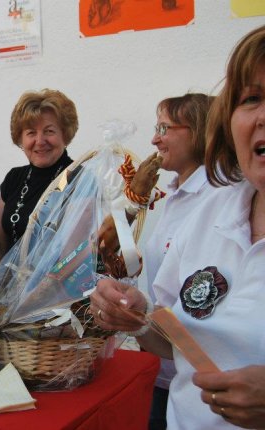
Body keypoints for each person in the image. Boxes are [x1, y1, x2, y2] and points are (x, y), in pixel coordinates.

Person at [90, 25, 265, 429]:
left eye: (165, 129)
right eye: (251, 98)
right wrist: (136, 315)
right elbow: (175, 339)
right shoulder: (210, 212)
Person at [143, 93, 214, 430]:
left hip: (197, 373)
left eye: (164, 128)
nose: (154, 139)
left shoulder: (215, 198)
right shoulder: (175, 193)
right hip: (164, 362)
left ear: (199, 132)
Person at [0, 89, 77, 274]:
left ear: (65, 135)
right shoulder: (14, 178)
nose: (40, 141)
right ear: (20, 138)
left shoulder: (79, 179)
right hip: (9, 289)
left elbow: (78, 252)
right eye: (31, 132)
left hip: (57, 289)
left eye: (49, 131)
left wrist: (41, 290)